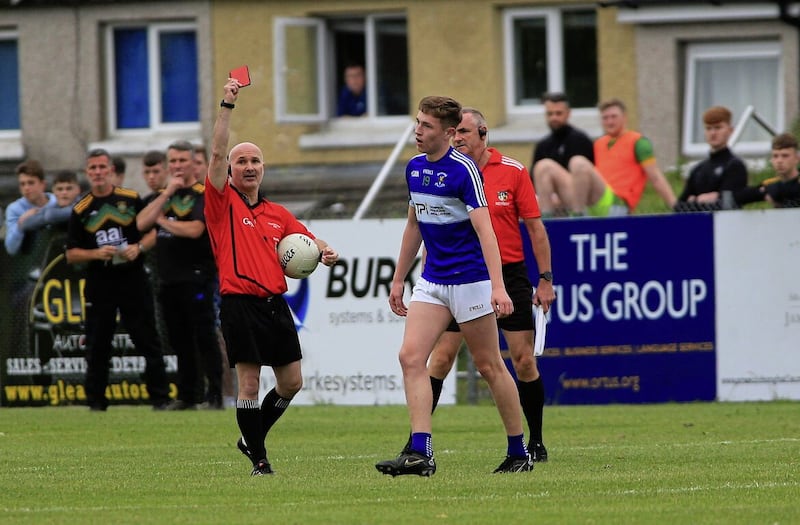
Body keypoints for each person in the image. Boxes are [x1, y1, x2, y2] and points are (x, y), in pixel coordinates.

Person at [375, 96, 532, 477]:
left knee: (489, 365)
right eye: (416, 123)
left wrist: (498, 287)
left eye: (426, 126)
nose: (417, 131)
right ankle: (420, 453)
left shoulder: (464, 171)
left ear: (447, 133)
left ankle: (518, 451)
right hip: (432, 282)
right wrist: (398, 279)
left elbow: (486, 230)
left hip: (470, 282)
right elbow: (414, 225)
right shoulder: (413, 168)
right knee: (411, 358)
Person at [206, 77, 339, 476]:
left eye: (255, 161)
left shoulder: (277, 213)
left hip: (274, 305)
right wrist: (227, 106)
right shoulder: (221, 203)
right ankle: (260, 461)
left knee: (292, 382)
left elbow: (308, 241)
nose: (248, 166)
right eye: (241, 161)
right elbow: (214, 153)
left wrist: (325, 250)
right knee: (249, 386)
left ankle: (252, 437)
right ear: (229, 170)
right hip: (239, 304)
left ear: (263, 169)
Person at [418, 108, 556, 463]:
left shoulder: (512, 171)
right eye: (454, 132)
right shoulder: (446, 170)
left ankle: (534, 442)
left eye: (463, 132)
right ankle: (416, 444)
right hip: (461, 274)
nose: (457, 138)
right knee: (441, 358)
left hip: (506, 276)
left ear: (483, 132)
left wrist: (545, 279)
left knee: (523, 361)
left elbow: (535, 228)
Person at [65, 148, 170, 411]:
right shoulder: (81, 208)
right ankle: (96, 402)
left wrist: (139, 248)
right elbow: (70, 254)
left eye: (102, 167)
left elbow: (153, 231)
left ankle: (160, 398)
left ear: (112, 170)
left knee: (147, 338)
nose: (98, 173)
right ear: (87, 173)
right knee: (98, 343)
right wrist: (96, 253)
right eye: (93, 168)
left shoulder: (130, 199)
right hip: (100, 282)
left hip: (133, 279)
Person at [138, 140, 223, 411]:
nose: (177, 166)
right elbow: (140, 223)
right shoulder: (162, 195)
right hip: (168, 278)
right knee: (179, 339)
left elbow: (196, 229)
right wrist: (167, 194)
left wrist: (163, 221)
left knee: (204, 336)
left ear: (193, 163)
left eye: (182, 161)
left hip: (197, 276)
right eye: (172, 161)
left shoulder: (202, 194)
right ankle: (188, 395)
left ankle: (215, 393)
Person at [594, 98, 677, 214]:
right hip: (596, 202)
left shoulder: (638, 142)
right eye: (605, 118)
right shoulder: (598, 144)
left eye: (614, 117)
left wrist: (675, 205)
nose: (610, 122)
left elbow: (656, 178)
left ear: (624, 117)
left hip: (620, 202)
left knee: (579, 164)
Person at [532, 92, 605, 217]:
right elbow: (532, 184)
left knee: (575, 163)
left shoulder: (580, 140)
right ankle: (546, 222)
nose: (554, 118)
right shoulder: (542, 145)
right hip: (554, 202)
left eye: (558, 113)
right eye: (550, 114)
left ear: (568, 114)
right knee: (541, 168)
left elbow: (589, 177)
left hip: (588, 199)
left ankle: (578, 216)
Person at [674, 106, 748, 212]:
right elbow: (680, 207)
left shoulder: (735, 166)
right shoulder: (698, 169)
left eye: (718, 128)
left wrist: (695, 201)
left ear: (730, 130)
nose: (713, 133)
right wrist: (700, 200)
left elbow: (728, 204)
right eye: (708, 128)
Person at [4, 159, 56, 256]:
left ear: (42, 184)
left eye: (31, 183)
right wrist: (20, 224)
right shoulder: (14, 209)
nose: (26, 188)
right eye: (22, 184)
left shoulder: (57, 202)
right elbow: (11, 249)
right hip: (30, 261)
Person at [736, 132, 800, 208]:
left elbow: (791, 190)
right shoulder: (771, 184)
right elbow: (740, 196)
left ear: (797, 158)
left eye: (785, 156)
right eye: (775, 156)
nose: (779, 161)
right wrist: (764, 193)